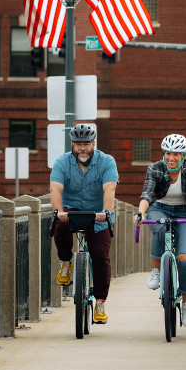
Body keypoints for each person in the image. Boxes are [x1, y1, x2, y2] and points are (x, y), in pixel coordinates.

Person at [50, 123, 118, 324]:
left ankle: (100, 302)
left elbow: (110, 189)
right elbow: (55, 188)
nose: (82, 148)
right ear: (72, 144)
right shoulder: (62, 162)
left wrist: (105, 213)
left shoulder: (107, 161)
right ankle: (65, 263)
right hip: (72, 210)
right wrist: (59, 211)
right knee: (59, 226)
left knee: (100, 255)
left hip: (98, 213)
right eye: (78, 144)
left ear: (93, 143)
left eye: (86, 144)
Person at [136, 133, 186, 326]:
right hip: (161, 208)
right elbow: (147, 194)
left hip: (185, 212)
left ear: (183, 155)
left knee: (184, 258)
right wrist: (141, 214)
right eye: (168, 153)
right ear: (164, 154)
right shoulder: (155, 168)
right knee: (160, 225)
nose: (171, 158)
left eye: (176, 154)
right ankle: (156, 271)